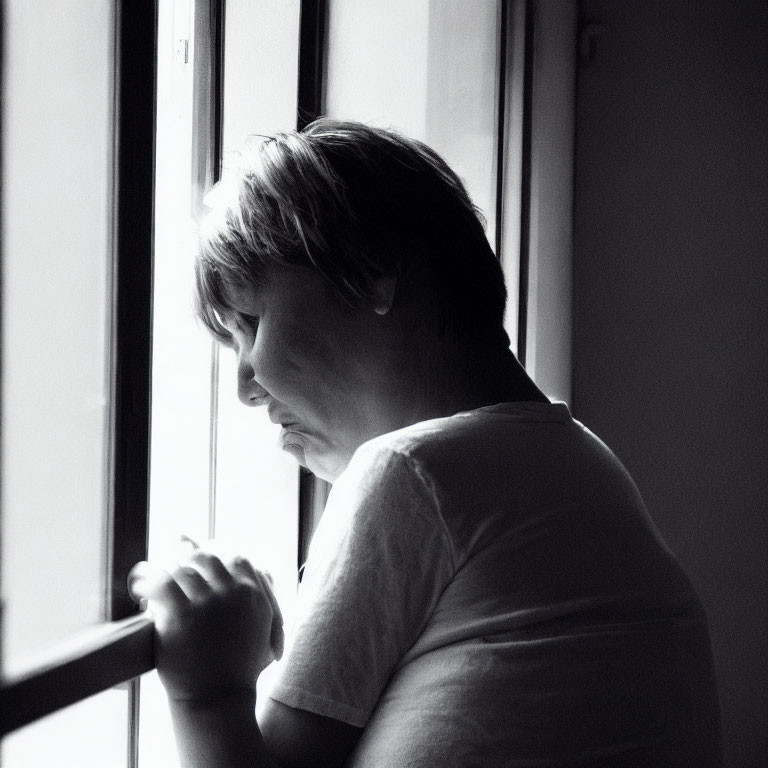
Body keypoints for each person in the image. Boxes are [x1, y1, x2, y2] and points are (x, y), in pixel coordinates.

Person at [129, 120, 723, 767]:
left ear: (372, 270)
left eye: (251, 324)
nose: (246, 384)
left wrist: (208, 689)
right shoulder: (582, 462)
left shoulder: (411, 472)